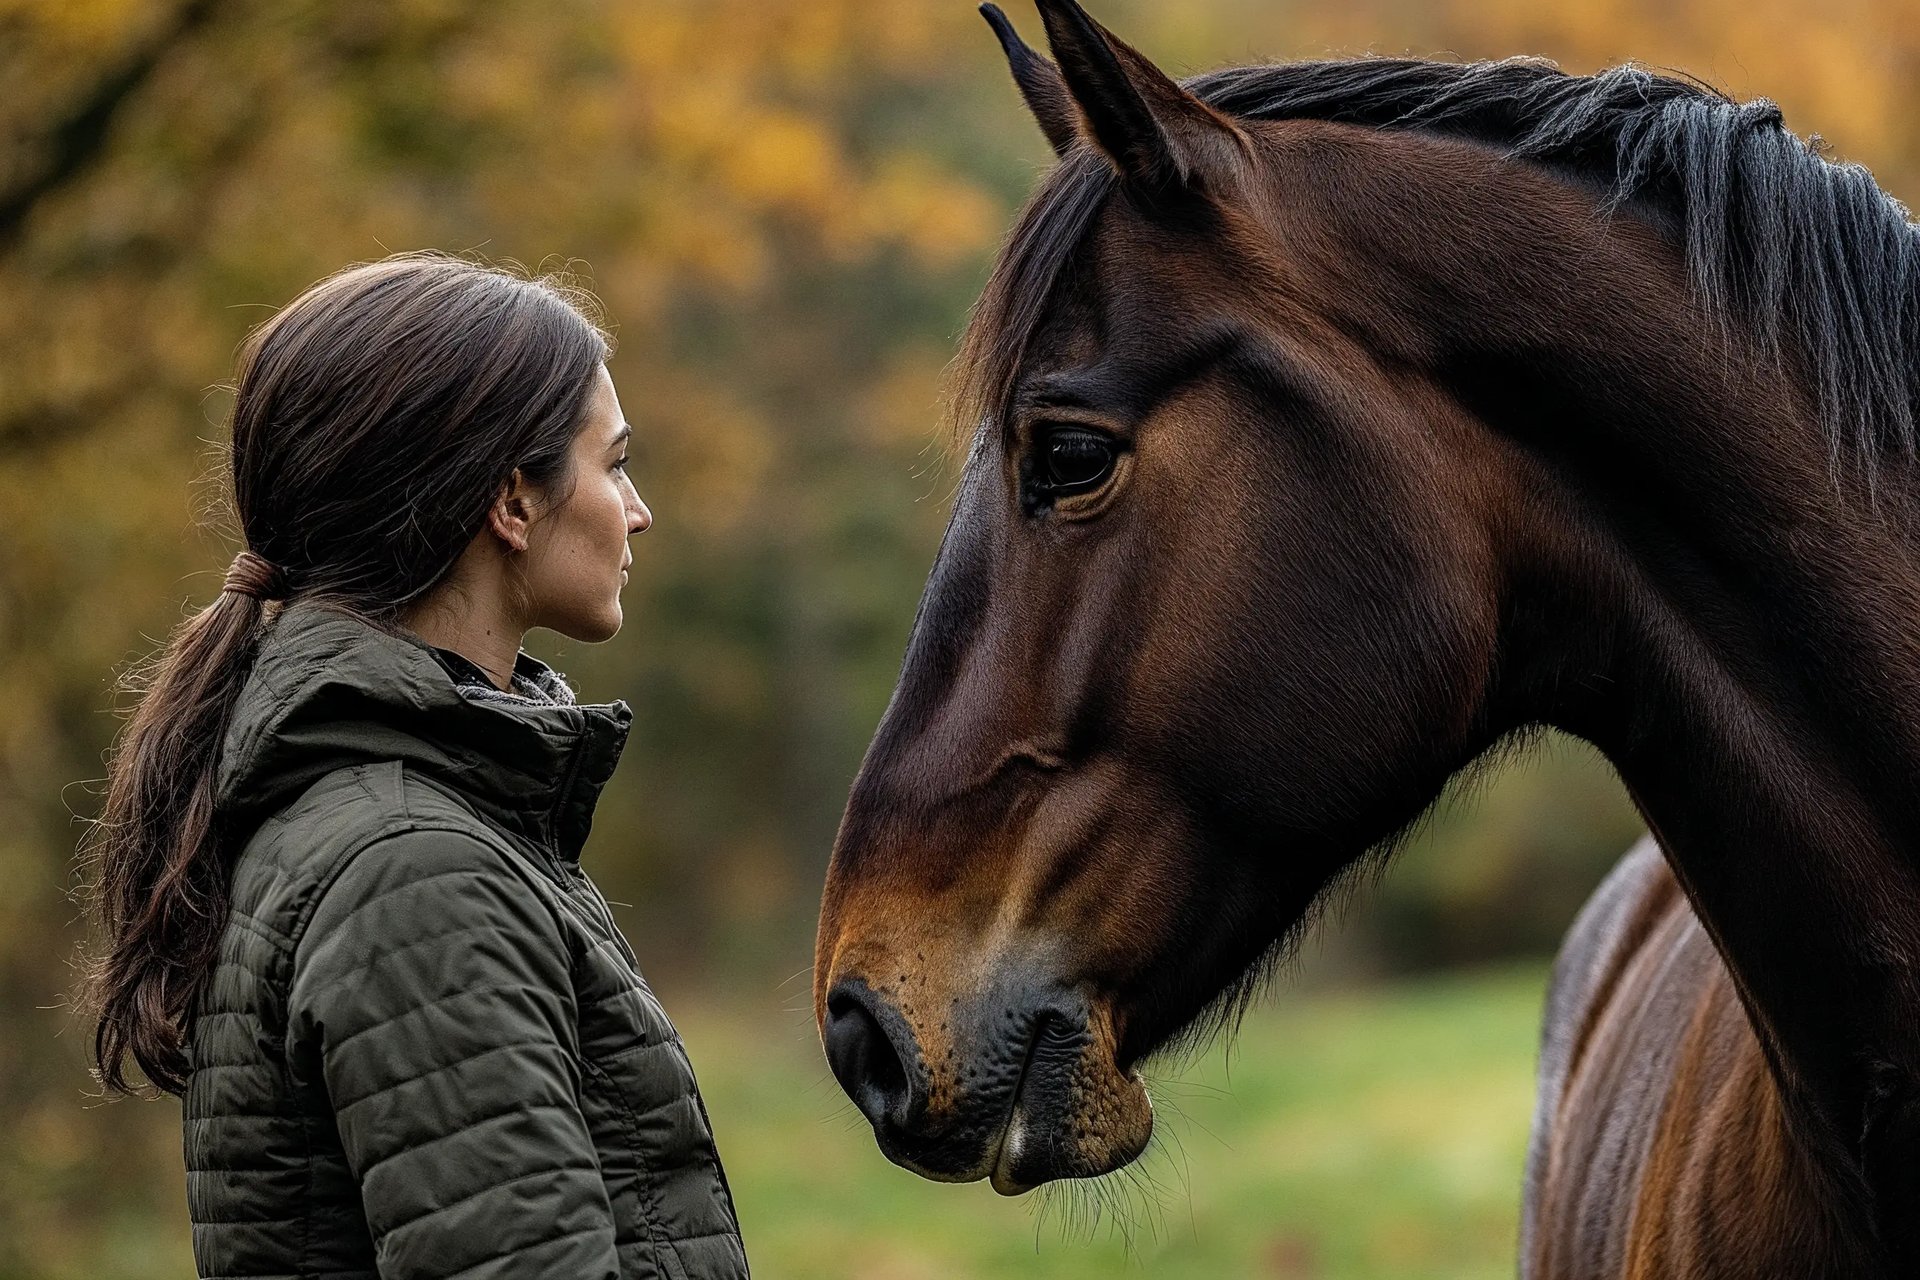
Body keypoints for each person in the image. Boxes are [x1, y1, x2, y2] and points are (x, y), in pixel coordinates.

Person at [80, 253, 750, 1280]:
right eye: (612, 464)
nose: (639, 508)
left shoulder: (405, 820)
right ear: (513, 503)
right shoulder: (414, 869)